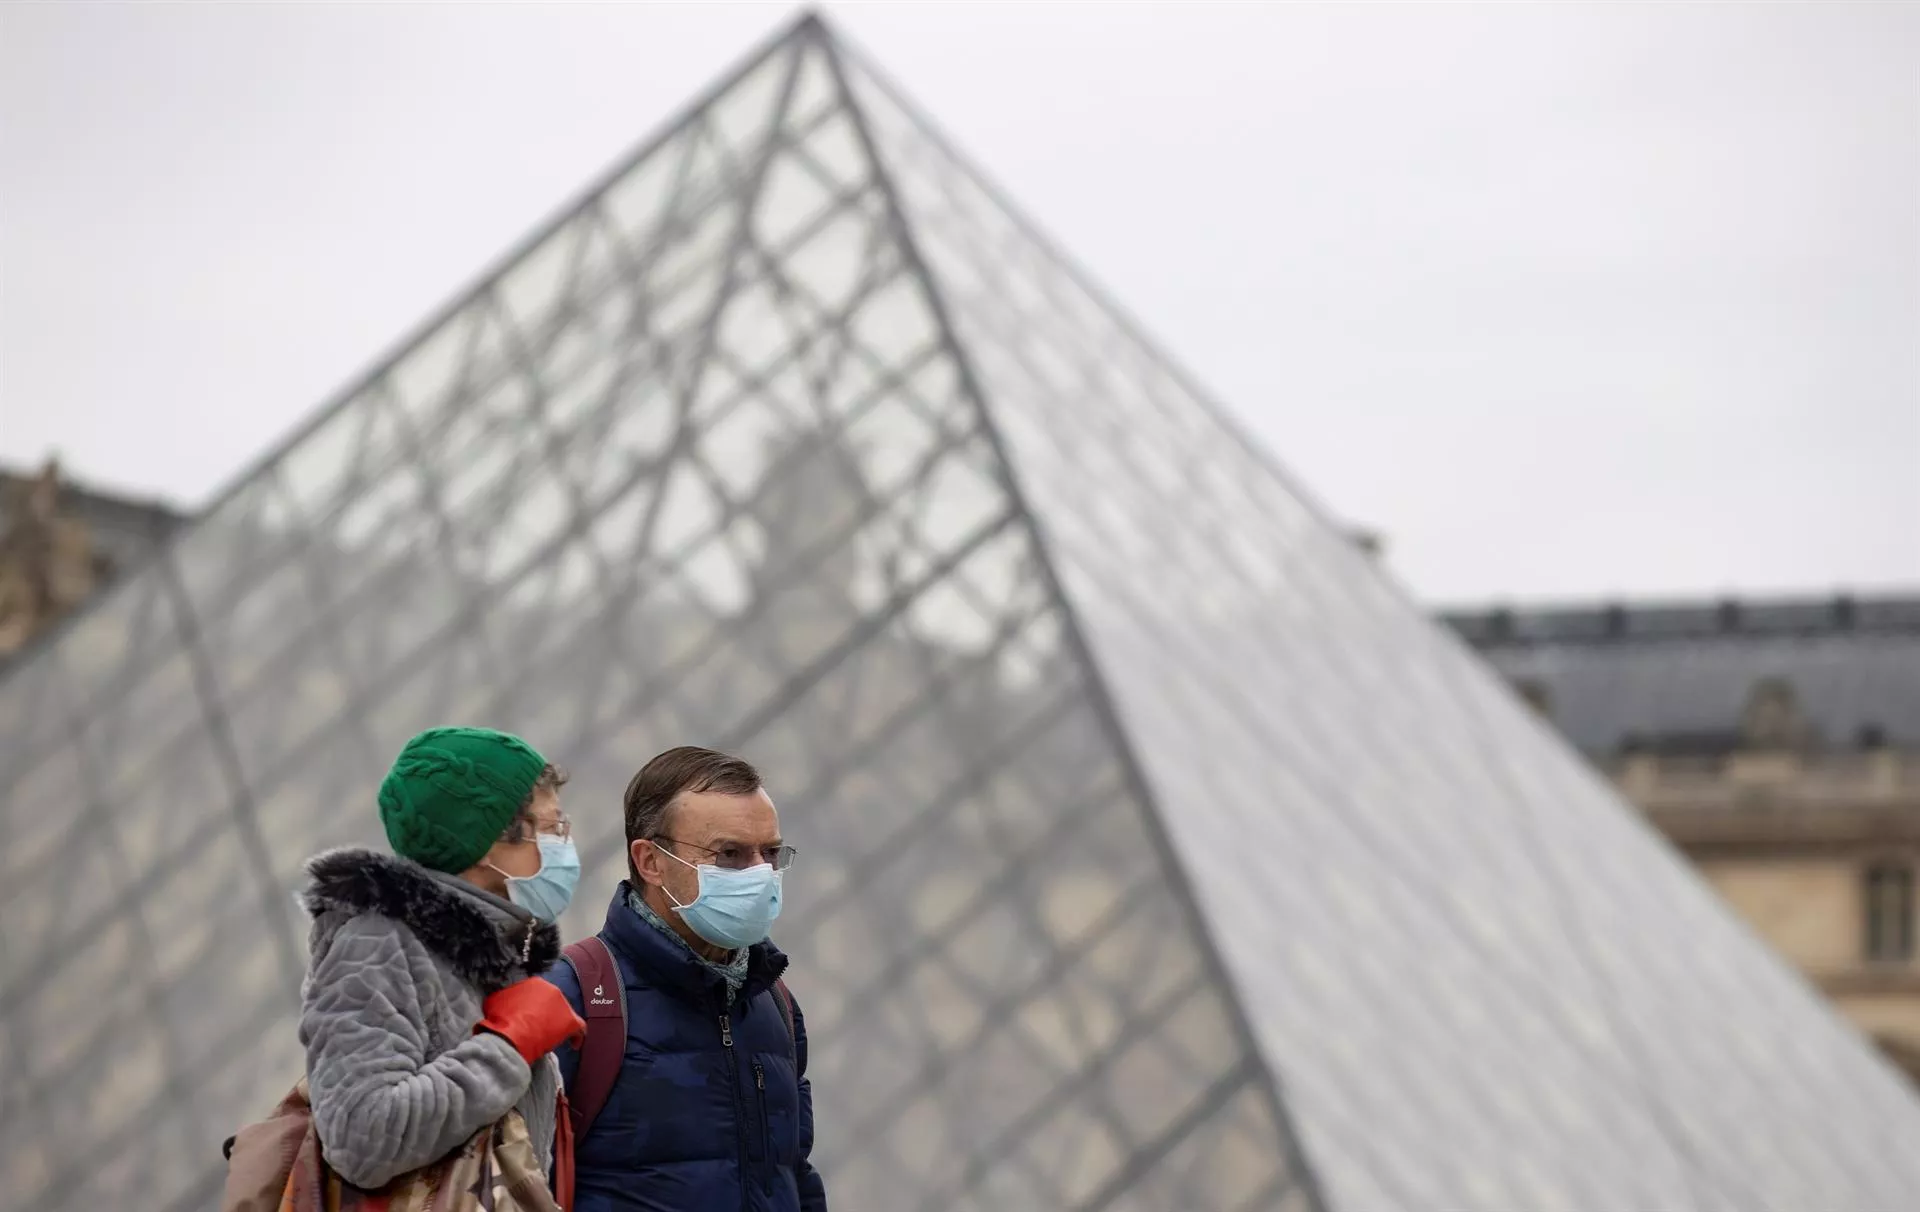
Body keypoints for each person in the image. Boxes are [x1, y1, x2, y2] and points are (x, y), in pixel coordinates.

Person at [299, 726, 587, 1190]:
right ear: (490, 838)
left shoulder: (494, 952)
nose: (565, 845)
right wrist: (509, 1045)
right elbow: (362, 1136)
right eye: (554, 828)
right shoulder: (377, 946)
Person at [545, 746, 828, 1212]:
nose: (760, 873)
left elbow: (795, 1172)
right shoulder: (574, 997)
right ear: (649, 861)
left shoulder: (773, 1001)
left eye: (771, 853)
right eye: (730, 854)